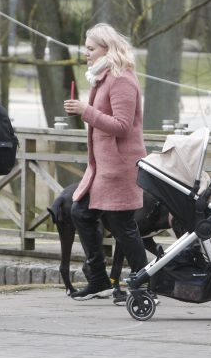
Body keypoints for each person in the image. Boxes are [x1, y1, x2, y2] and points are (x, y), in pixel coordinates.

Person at [63, 23, 148, 304]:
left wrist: (86, 111)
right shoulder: (103, 77)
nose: (85, 53)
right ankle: (99, 279)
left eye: (90, 48)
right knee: (81, 212)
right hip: (102, 168)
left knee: (122, 225)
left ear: (107, 49)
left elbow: (123, 126)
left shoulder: (122, 78)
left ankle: (143, 282)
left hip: (120, 167)